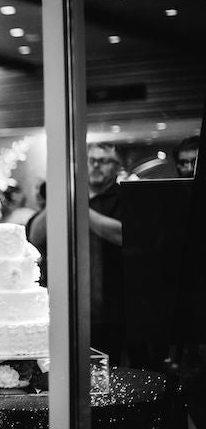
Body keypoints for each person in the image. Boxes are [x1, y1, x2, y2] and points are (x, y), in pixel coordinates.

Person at [87, 143, 124, 364]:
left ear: (116, 167)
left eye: (103, 161)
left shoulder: (124, 197)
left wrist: (78, 209)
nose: (96, 166)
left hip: (115, 304)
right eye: (91, 160)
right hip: (78, 305)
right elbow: (37, 234)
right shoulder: (74, 195)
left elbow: (123, 234)